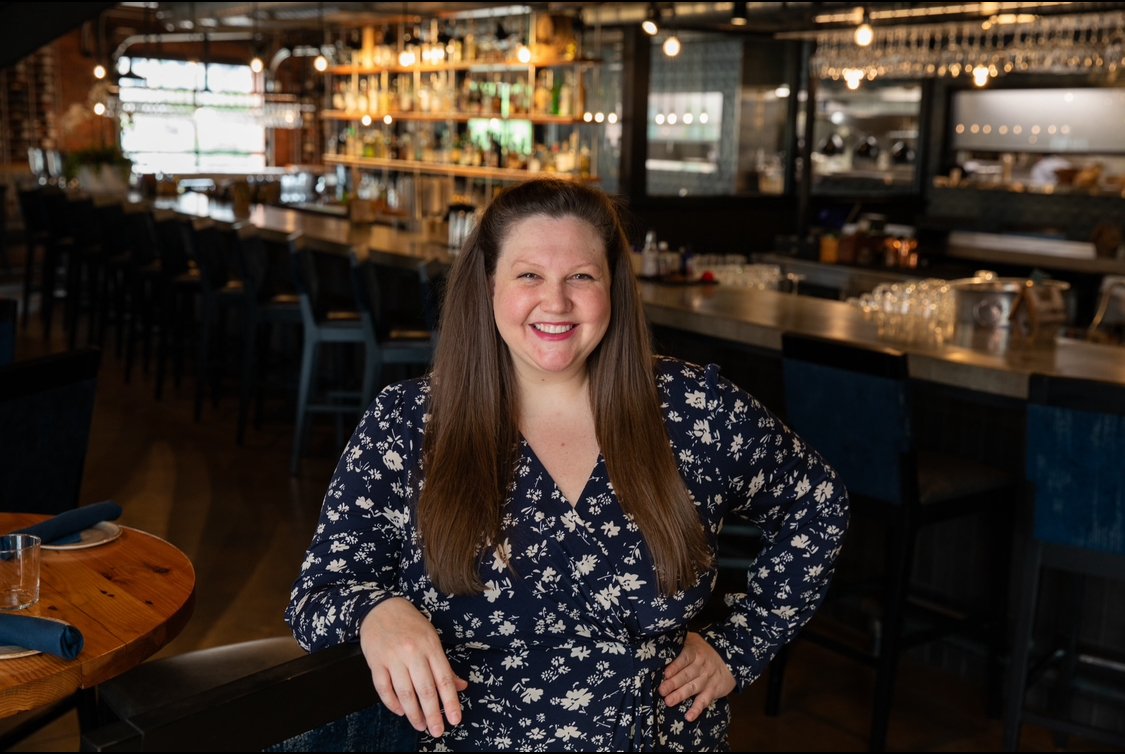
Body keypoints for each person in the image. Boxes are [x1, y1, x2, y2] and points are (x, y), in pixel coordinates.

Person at [284, 177, 849, 752]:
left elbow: (819, 504)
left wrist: (740, 645)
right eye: (529, 275)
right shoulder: (409, 422)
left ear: (613, 289)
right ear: (488, 287)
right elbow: (316, 595)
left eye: (581, 276)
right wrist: (378, 612)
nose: (555, 302)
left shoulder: (693, 409)